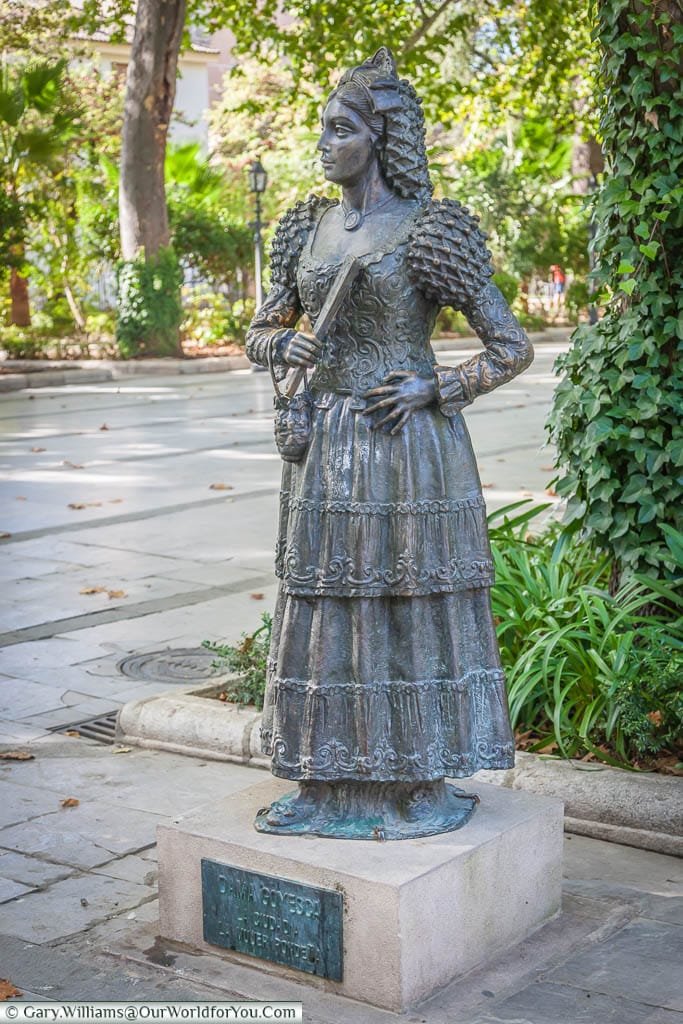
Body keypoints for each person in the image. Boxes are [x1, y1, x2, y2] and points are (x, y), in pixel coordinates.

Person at [245, 47, 534, 840]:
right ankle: (321, 780)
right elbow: (262, 326)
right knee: (322, 609)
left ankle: (418, 784)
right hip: (325, 446)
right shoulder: (303, 226)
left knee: (408, 608)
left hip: (407, 449)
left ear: (379, 137)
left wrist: (434, 387)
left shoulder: (431, 229)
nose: (324, 141)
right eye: (323, 128)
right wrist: (279, 347)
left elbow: (509, 347)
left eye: (340, 128)